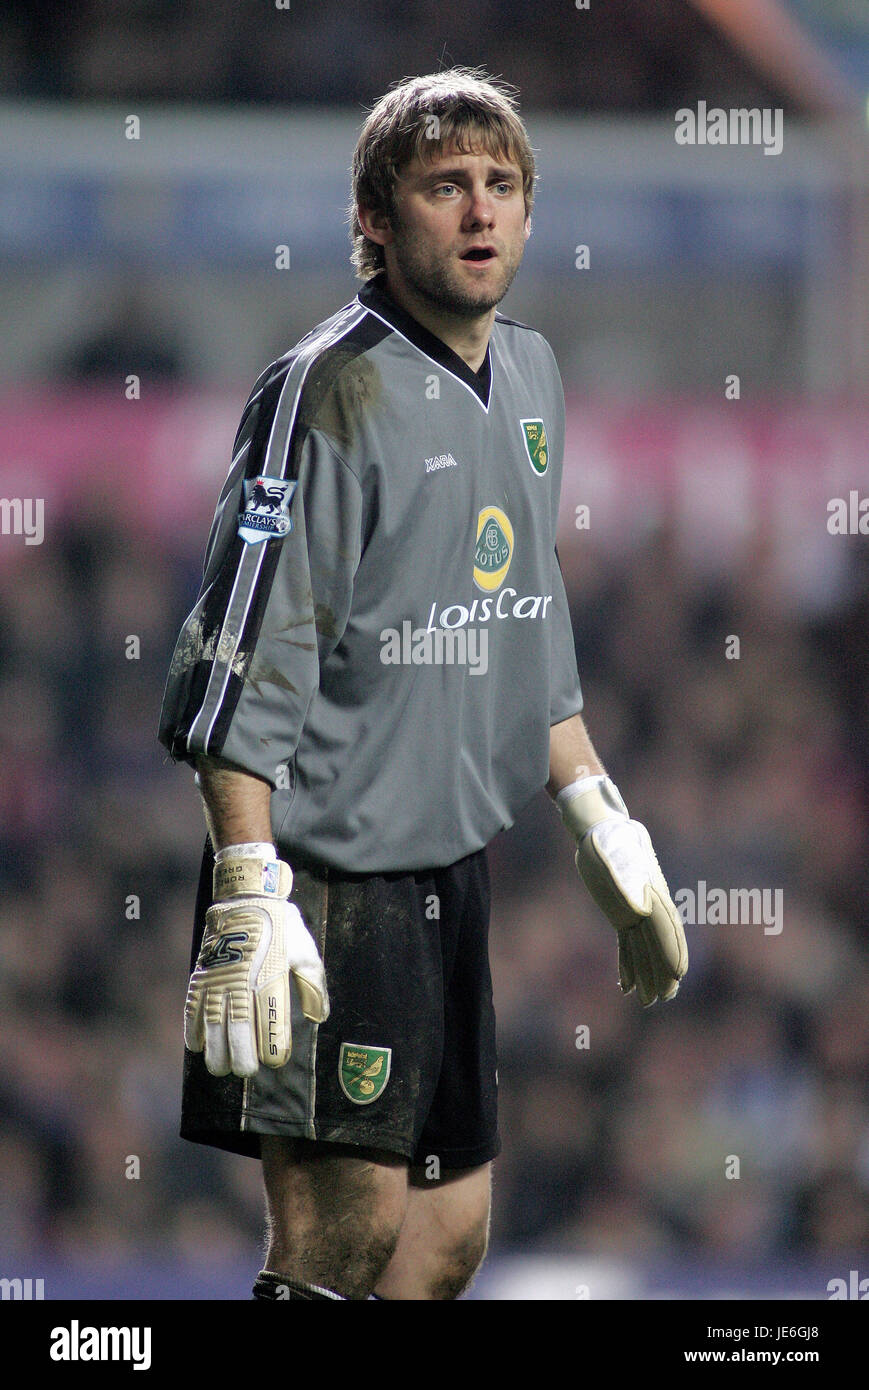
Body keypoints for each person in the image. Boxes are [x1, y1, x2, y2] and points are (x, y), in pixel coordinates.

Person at [158, 67, 688, 1302]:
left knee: (444, 1242)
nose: (478, 210)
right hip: (326, 881)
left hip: (451, 873)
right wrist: (248, 886)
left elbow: (520, 617)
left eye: (500, 185)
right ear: (374, 221)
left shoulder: (538, 376)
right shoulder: (322, 388)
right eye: (443, 185)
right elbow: (245, 642)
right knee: (341, 1235)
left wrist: (595, 806)